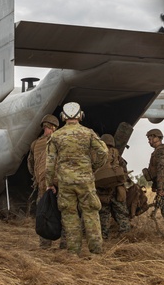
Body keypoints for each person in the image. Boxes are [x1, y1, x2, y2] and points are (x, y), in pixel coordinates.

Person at [46, 102, 108, 256]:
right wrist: (93, 167)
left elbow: (49, 163)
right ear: (81, 116)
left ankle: (73, 252)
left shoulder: (56, 136)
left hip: (65, 183)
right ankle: (96, 252)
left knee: (69, 215)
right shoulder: (88, 133)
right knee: (91, 213)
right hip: (85, 181)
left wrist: (49, 183)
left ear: (63, 117)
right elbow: (104, 152)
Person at [27, 114, 59, 248]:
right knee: (64, 214)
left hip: (42, 185)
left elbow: (30, 165)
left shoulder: (35, 144)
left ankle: (45, 245)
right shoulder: (59, 141)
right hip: (59, 185)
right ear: (54, 127)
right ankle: (65, 245)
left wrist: (39, 179)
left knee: (44, 214)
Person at [96, 134, 131, 239]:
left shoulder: (97, 155)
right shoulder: (117, 155)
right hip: (116, 189)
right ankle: (125, 234)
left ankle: (104, 235)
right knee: (121, 213)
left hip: (102, 190)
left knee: (103, 213)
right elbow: (124, 171)